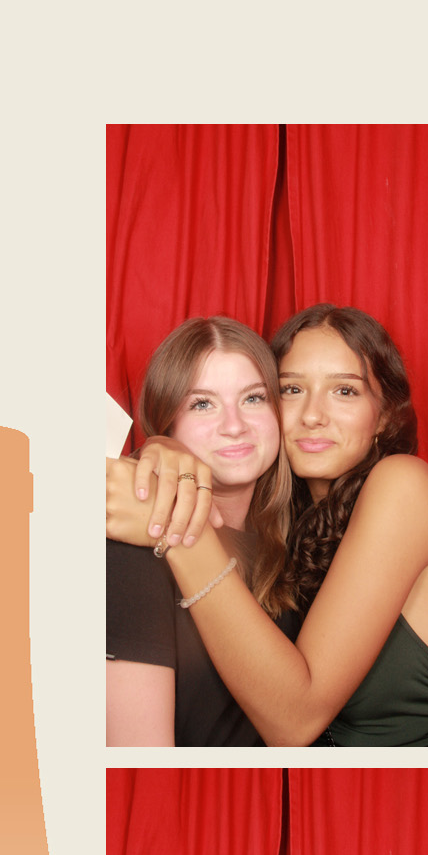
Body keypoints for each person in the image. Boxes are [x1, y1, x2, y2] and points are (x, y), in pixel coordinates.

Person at [107, 305, 428, 746]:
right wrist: (163, 449)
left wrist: (178, 529)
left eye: (344, 391)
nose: (312, 416)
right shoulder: (287, 526)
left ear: (384, 415)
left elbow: (296, 720)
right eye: (291, 389)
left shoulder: (403, 485)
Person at [106, 318, 297, 747]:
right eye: (202, 404)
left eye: (253, 398)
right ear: (167, 424)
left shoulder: (298, 537)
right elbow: (141, 757)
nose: (234, 425)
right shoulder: (134, 550)